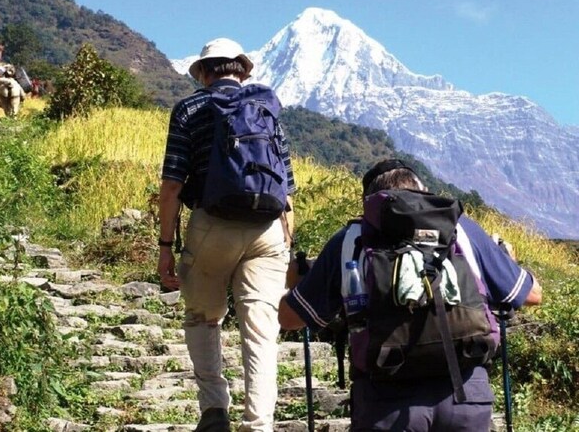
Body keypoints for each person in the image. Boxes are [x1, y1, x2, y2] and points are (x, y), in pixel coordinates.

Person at [278, 159, 543, 432]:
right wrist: (506, 259)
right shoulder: (461, 229)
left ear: (369, 204)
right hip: (466, 394)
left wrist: (295, 282)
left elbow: (289, 319)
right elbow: (531, 295)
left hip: (385, 401)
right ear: (422, 189)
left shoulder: (352, 238)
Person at [158, 38, 296, 432]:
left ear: (203, 72)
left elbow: (171, 186)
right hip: (267, 228)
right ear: (241, 70)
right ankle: (260, 424)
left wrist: (166, 247)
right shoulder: (265, 108)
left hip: (211, 223)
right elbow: (287, 190)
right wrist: (285, 243)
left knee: (203, 317)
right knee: (260, 328)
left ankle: (215, 409)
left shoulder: (189, 108)